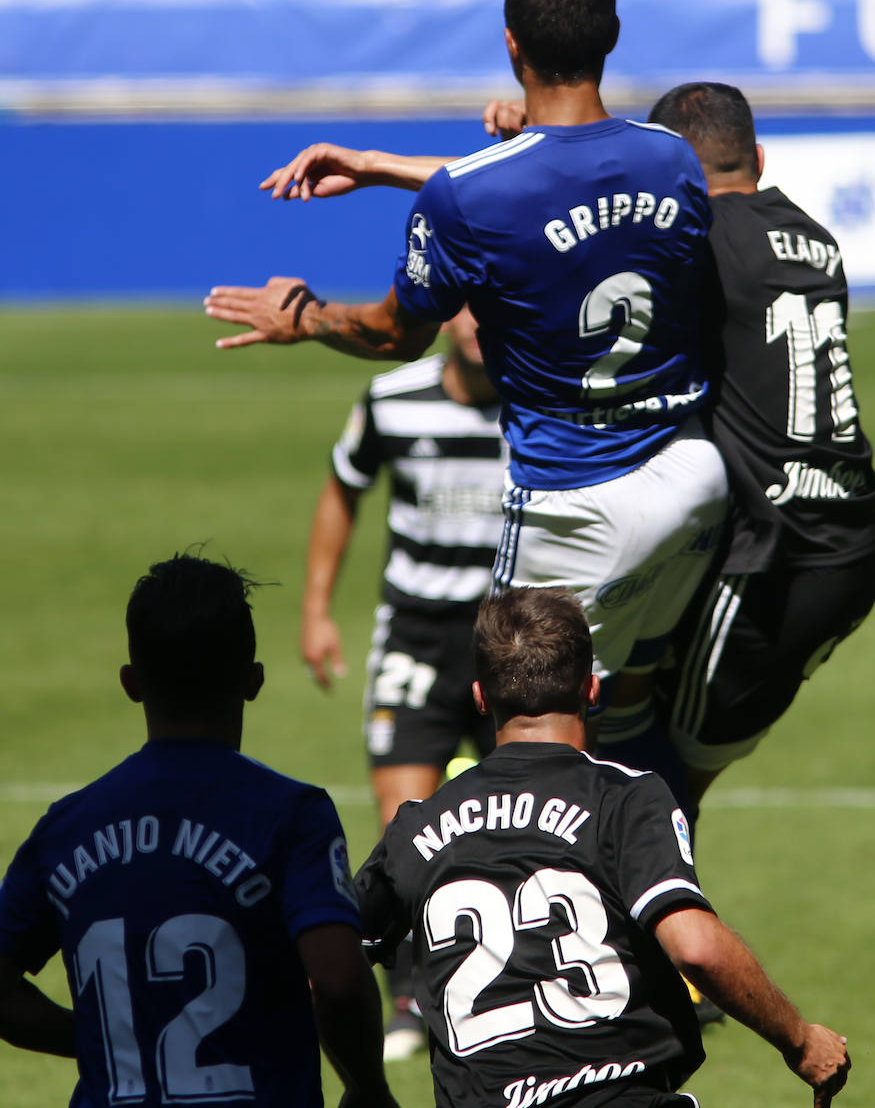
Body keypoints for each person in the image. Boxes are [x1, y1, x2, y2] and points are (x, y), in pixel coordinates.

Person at [204, 0, 728, 805]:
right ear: (613, 35)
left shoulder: (468, 199)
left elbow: (392, 336)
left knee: (525, 756)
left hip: (573, 503)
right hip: (689, 475)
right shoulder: (670, 158)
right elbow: (554, 180)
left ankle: (547, 921)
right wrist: (380, 168)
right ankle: (654, 874)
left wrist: (304, 318)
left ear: (511, 42)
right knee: (623, 716)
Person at [354, 585, 851, 1108]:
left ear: (480, 697)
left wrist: (365, 1085)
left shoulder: (416, 826)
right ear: (593, 691)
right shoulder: (625, 797)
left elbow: (331, 966)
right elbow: (696, 948)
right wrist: (799, 1039)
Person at [0, 552, 397, 1108]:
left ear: (131, 684)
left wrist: (108, 1043)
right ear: (252, 681)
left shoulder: (64, 828)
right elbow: (335, 976)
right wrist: (368, 1087)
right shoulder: (291, 814)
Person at [636, 83, 875, 808]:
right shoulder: (816, 239)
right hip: (845, 533)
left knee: (655, 791)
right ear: (760, 158)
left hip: (773, 554)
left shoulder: (697, 239)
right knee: (651, 772)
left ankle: (648, 920)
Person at [302, 305, 506, 1056]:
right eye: (466, 305)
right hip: (415, 639)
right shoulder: (391, 400)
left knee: (528, 813)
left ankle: (514, 986)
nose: (479, 321)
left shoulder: (540, 402)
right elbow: (341, 488)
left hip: (509, 644)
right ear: (444, 314)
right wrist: (316, 610)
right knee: (404, 822)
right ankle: (411, 1000)